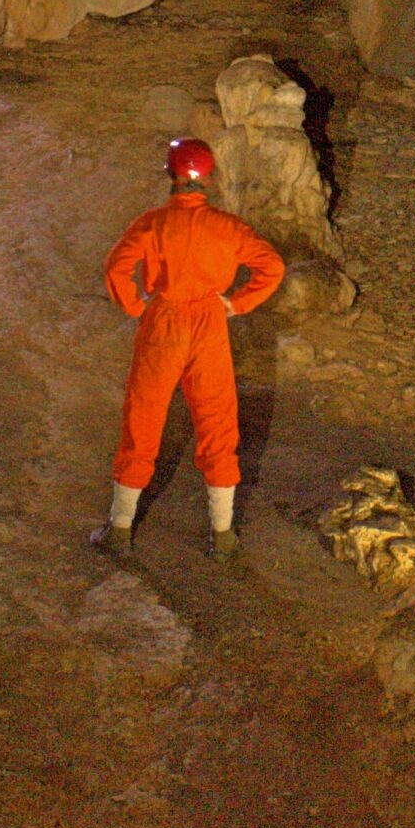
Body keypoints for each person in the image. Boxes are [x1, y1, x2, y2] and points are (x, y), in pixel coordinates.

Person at [93, 136, 285, 563]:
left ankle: (120, 529)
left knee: (143, 417)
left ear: (171, 176)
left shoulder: (153, 223)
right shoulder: (228, 228)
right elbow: (271, 266)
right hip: (209, 322)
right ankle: (223, 535)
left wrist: (135, 305)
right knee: (217, 420)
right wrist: (236, 302)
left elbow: (116, 266)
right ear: (209, 179)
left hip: (164, 320)